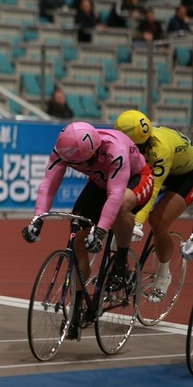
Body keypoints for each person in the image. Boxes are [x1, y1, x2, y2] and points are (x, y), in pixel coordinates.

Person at [22, 122, 154, 340]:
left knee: (120, 205)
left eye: (75, 163)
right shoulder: (64, 149)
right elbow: (48, 183)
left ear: (90, 154)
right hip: (100, 182)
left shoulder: (115, 151)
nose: (71, 166)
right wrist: (38, 219)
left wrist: (101, 231)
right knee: (77, 239)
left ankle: (121, 259)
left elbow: (114, 195)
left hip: (136, 179)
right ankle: (78, 306)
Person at [114, 110, 193, 303]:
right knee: (123, 210)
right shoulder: (133, 146)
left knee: (157, 220)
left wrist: (138, 223)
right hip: (158, 168)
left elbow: (153, 189)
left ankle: (164, 274)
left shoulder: (160, 149)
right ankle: (117, 268)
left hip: (185, 176)